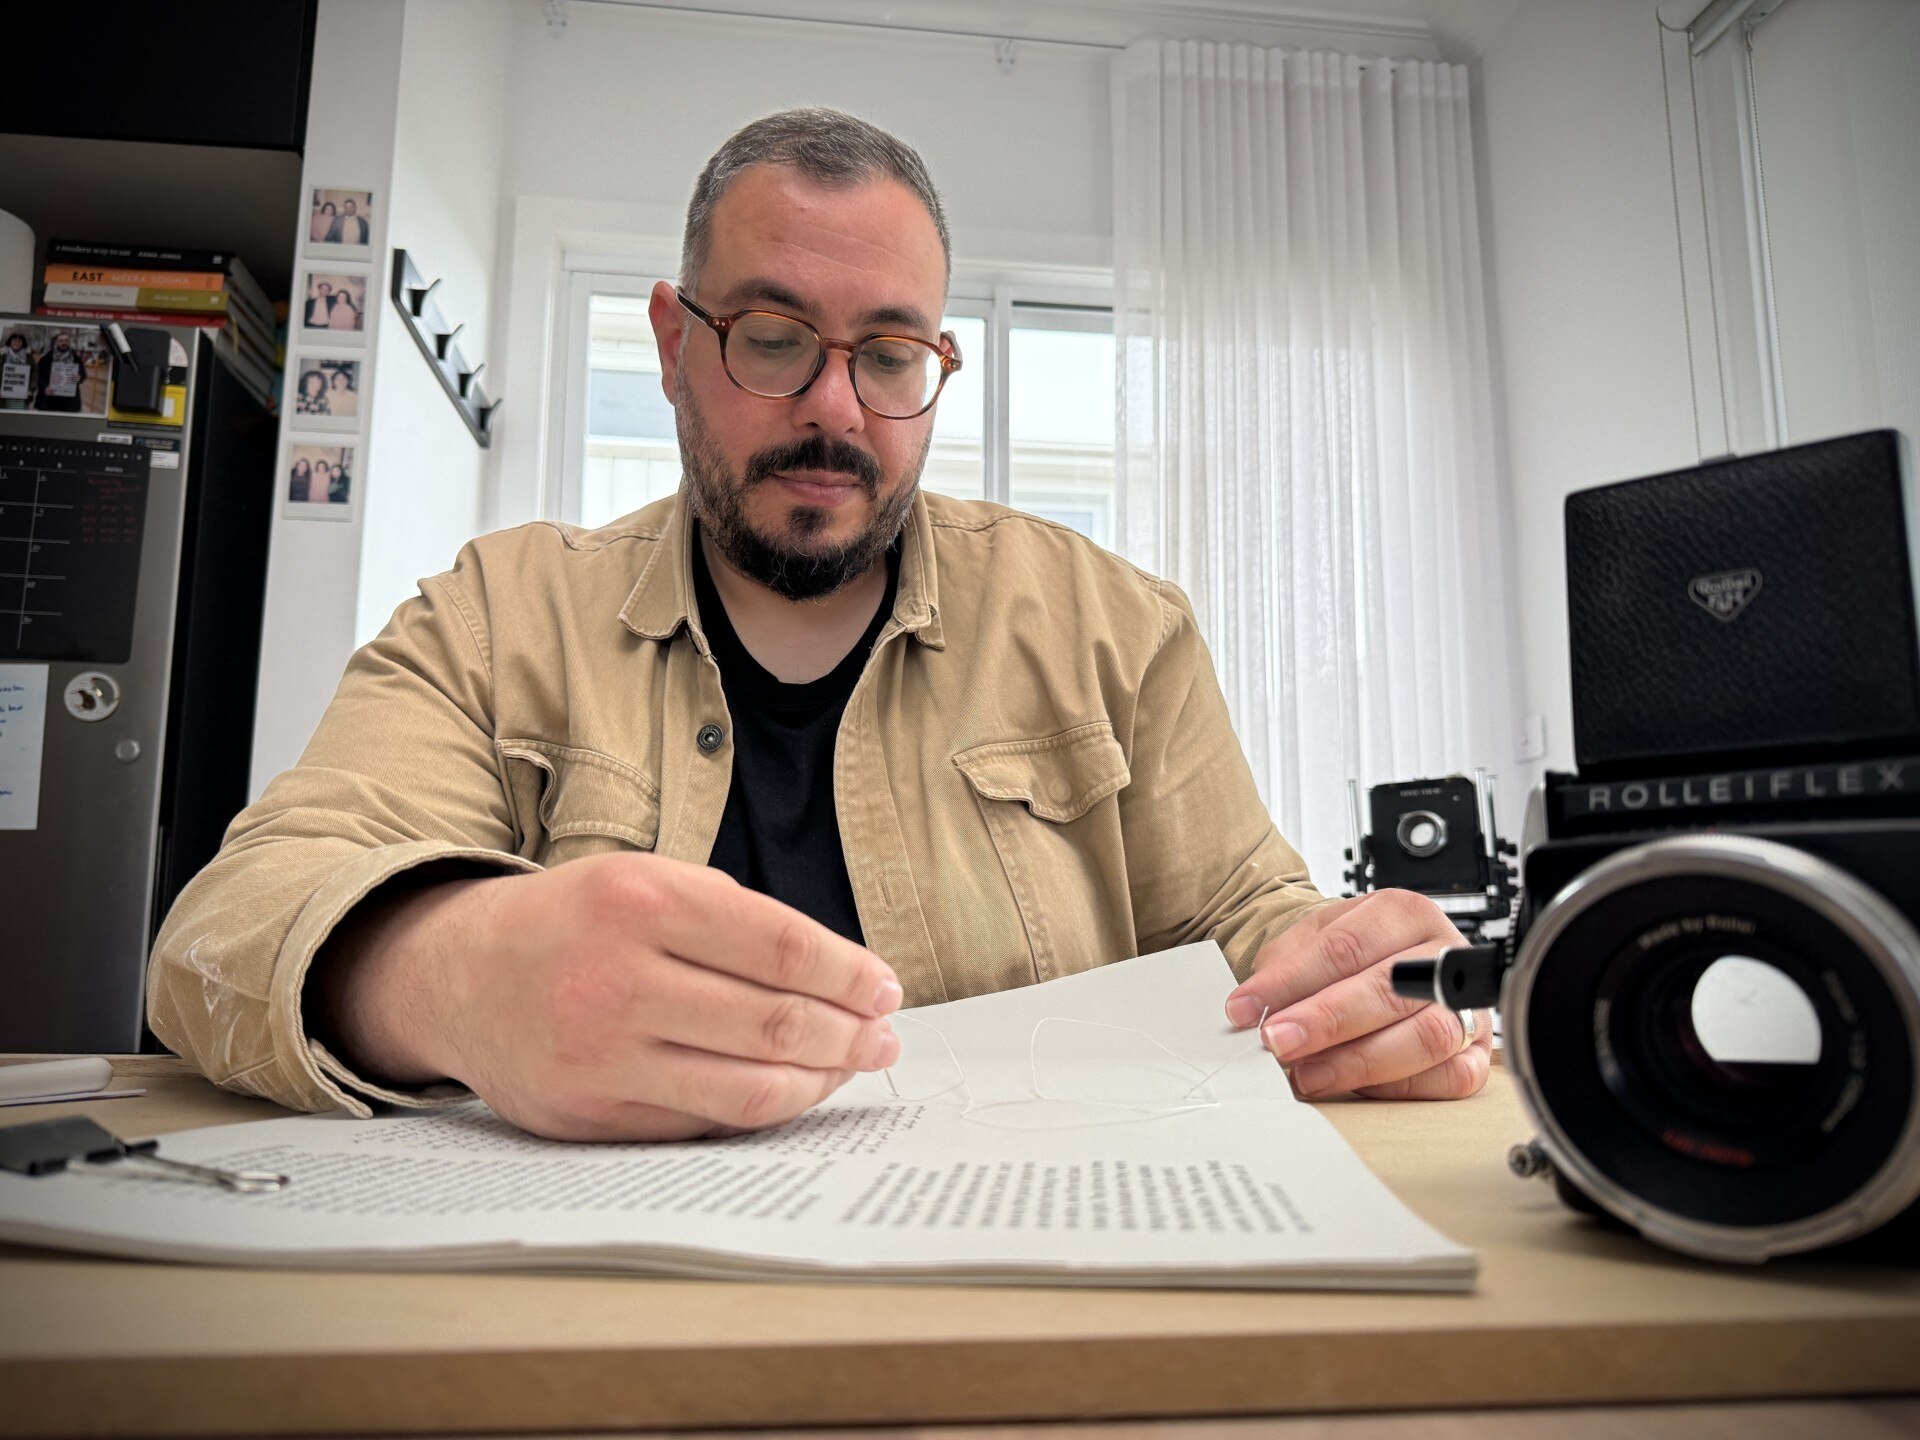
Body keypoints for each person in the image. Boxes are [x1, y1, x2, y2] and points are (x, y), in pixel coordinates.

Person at [150, 107, 1486, 1143]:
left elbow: (1260, 924)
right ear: (674, 345)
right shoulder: (499, 618)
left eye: (891, 354)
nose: (838, 412)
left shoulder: (1112, 629)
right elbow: (219, 938)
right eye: (777, 338)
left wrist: (1358, 977)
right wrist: (450, 973)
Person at [31, 331, 88, 412]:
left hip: (69, 401)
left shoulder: (76, 359)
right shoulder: (47, 358)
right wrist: (44, 388)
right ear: (56, 342)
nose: (63, 343)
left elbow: (83, 374)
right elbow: (38, 375)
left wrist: (80, 377)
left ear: (69, 342)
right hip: (49, 400)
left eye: (66, 340)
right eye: (61, 340)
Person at [0, 331, 33, 409]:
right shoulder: (2, 356)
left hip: (22, 396)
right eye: (14, 340)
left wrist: (31, 389)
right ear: (10, 342)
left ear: (23, 343)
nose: (16, 343)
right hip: (4, 396)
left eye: (19, 341)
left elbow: (34, 374)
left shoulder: (29, 357)